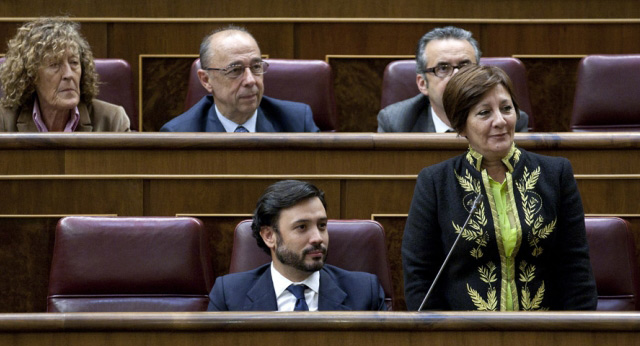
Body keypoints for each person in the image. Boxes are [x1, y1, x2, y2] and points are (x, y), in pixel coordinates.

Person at [402, 65, 597, 311]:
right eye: (484, 113)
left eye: (506, 109)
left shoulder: (555, 174)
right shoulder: (435, 182)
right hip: (464, 337)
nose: (500, 121)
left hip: (543, 334)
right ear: (461, 126)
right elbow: (419, 275)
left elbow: (576, 268)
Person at [208, 180, 386, 311]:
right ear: (269, 236)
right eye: (302, 227)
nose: (317, 238)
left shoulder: (364, 292)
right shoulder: (229, 296)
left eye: (322, 226)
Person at [160, 26, 319, 132]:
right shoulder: (180, 133)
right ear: (206, 80)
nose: (250, 80)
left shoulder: (297, 122)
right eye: (235, 70)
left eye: (256, 67)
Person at [377, 26, 528, 133]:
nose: (457, 76)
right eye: (443, 68)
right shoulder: (396, 123)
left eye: (465, 66)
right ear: (423, 84)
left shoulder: (509, 121)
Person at [0, 18, 130, 132]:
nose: (68, 74)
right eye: (54, 65)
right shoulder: (4, 121)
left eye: (74, 63)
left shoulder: (113, 121)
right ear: (31, 76)